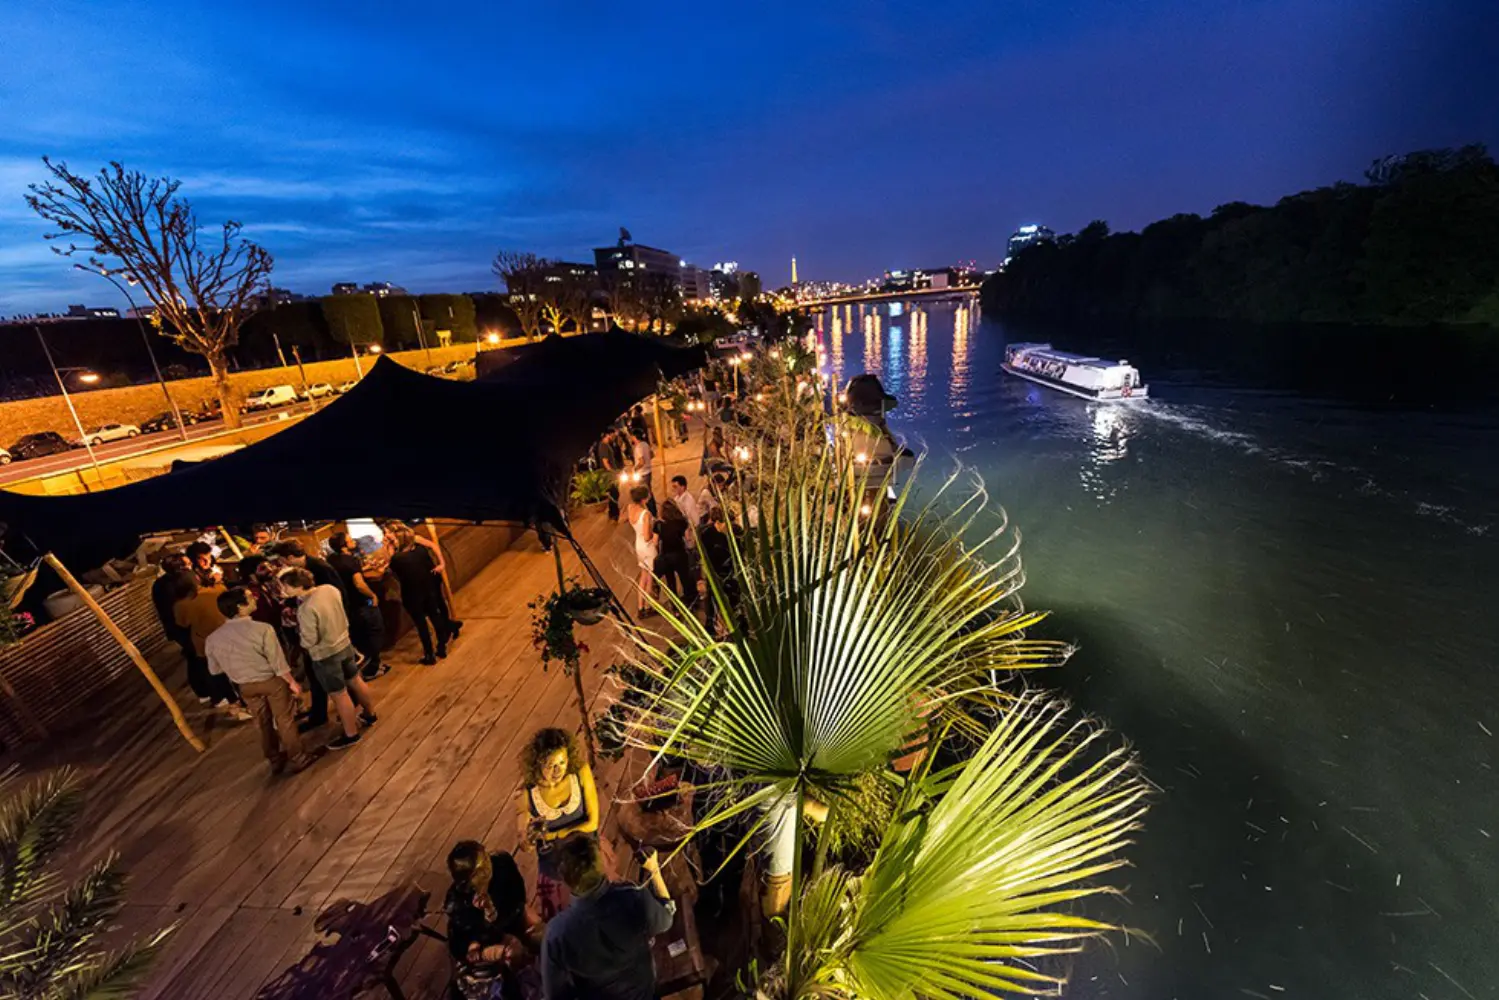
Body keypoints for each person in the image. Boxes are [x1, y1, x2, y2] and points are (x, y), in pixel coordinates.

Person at [540, 834, 675, 1000]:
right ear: (600, 865)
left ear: (565, 879)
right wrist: (654, 870)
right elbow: (667, 918)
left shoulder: (557, 933)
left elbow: (555, 995)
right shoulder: (633, 898)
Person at [206, 587, 322, 775]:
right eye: (250, 598)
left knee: (261, 723)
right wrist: (292, 682)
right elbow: (278, 662)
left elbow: (215, 669)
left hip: (244, 686)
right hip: (271, 681)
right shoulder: (262, 629)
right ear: (240, 607)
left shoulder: (213, 638)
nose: (255, 600)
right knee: (284, 719)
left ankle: (274, 759)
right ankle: (299, 757)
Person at [278, 566, 378, 751]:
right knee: (355, 680)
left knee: (339, 694)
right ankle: (370, 714)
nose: (283, 591)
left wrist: (299, 633)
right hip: (344, 643)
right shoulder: (329, 590)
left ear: (298, 586)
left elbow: (310, 640)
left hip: (325, 654)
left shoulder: (306, 609)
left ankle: (351, 734)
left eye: (286, 587)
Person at [515, 728, 601, 919]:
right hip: (555, 866)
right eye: (550, 765)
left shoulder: (580, 772)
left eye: (562, 762)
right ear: (537, 764)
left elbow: (593, 823)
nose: (558, 770)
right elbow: (525, 844)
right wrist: (527, 839)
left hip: (585, 858)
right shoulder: (527, 793)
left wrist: (554, 835)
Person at [445, 842, 543, 1000]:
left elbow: (518, 899)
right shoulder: (458, 902)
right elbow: (462, 944)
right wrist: (486, 927)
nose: (487, 867)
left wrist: (499, 916)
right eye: (479, 870)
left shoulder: (502, 864)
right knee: (510, 956)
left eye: (486, 859)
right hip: (484, 941)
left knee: (544, 935)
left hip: (511, 921)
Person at [170, 571, 250, 719]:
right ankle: (247, 701)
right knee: (236, 670)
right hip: (228, 635)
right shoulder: (216, 591)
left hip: (204, 642)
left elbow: (183, 623)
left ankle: (233, 700)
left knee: (216, 673)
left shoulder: (181, 605)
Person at [387, 524, 458, 665]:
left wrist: (389, 548)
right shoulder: (420, 550)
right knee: (434, 616)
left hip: (412, 595)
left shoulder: (397, 559)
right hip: (428, 590)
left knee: (421, 625)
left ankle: (429, 654)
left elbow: (392, 569)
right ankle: (441, 646)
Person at [327, 531, 387, 681]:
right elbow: (359, 584)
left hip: (347, 605)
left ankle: (366, 667)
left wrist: (363, 568)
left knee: (360, 636)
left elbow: (348, 573)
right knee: (375, 632)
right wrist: (372, 595)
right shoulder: (350, 561)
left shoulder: (332, 559)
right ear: (344, 546)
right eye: (349, 540)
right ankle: (372, 668)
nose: (353, 540)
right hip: (362, 603)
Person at [699, 506, 738, 637]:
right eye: (726, 523)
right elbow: (702, 555)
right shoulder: (706, 535)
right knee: (714, 601)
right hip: (715, 574)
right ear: (717, 523)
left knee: (732, 601)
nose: (729, 526)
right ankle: (714, 629)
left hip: (730, 574)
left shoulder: (734, 532)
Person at [622, 486, 656, 618]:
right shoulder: (645, 514)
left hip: (638, 544)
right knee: (650, 578)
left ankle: (640, 606)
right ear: (644, 498)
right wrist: (655, 533)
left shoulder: (630, 508)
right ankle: (649, 606)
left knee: (643, 576)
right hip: (647, 546)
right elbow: (647, 536)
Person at [652, 500, 694, 605]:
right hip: (680, 554)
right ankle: (689, 601)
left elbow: (655, 542)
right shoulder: (681, 521)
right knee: (685, 579)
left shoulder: (659, 524)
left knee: (671, 582)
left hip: (666, 555)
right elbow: (688, 538)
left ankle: (676, 608)